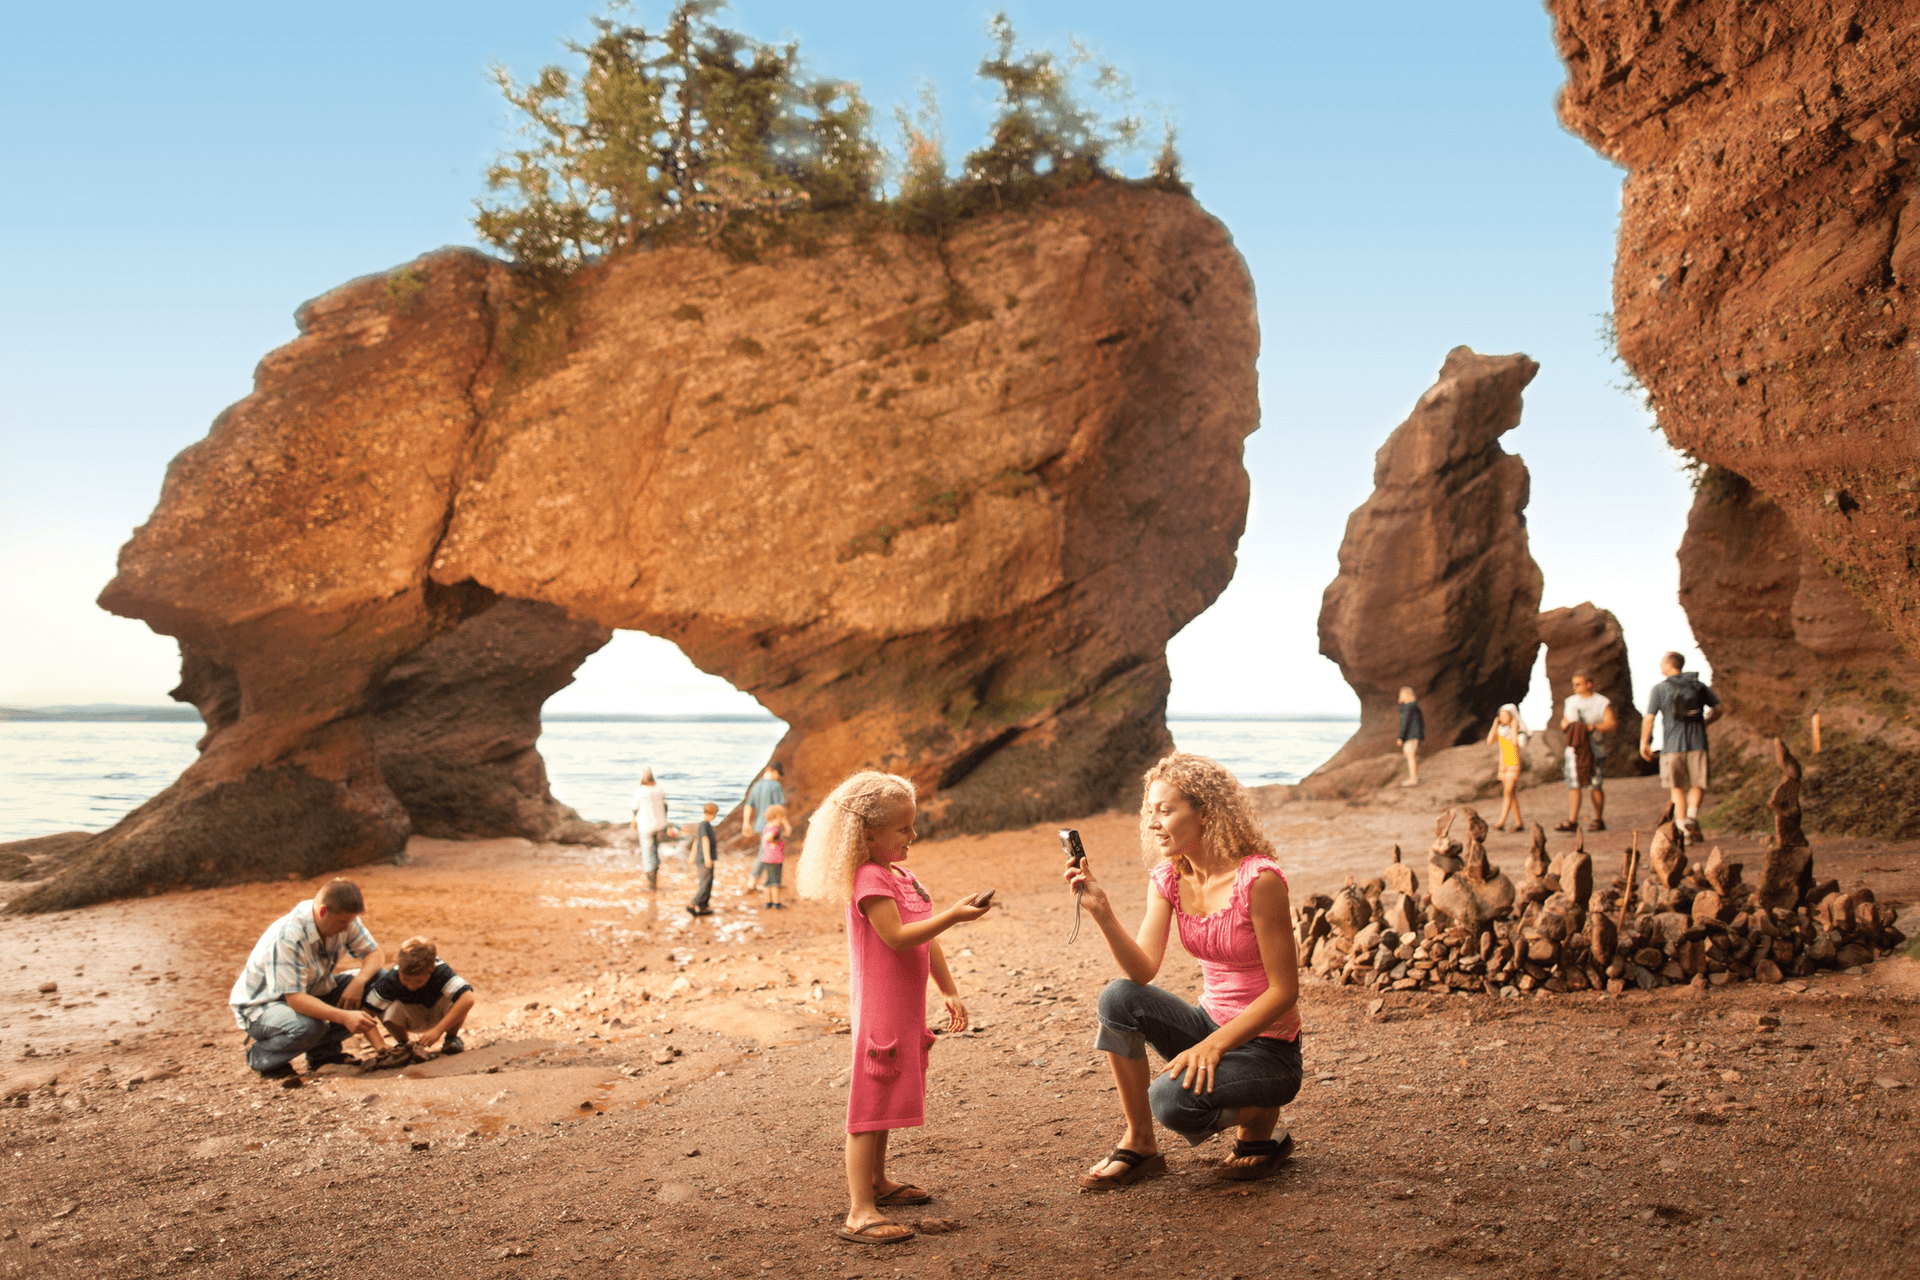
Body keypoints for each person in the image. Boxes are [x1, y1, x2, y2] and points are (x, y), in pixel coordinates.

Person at [1067, 753, 1304, 1190]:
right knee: (1118, 997)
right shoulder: (1169, 878)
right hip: (1208, 1024)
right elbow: (1142, 971)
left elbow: (1284, 992)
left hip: (1268, 1048)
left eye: (1165, 810)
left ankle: (1261, 1113)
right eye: (1149, 811)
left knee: (1171, 1101)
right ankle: (1140, 1144)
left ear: (1205, 813)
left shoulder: (1260, 880)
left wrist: (1213, 1048)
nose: (1152, 822)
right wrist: (1102, 912)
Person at [795, 771, 992, 1246]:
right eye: (903, 828)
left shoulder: (902, 875)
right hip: (882, 1012)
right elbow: (897, 937)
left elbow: (925, 937)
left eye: (912, 825)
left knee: (887, 1100)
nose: (913, 836)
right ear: (868, 835)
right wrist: (955, 914)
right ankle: (859, 1209)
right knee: (870, 1103)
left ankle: (879, 1183)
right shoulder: (869, 878)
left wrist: (948, 989)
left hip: (906, 1008)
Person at [229, 879, 388, 1083]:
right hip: (263, 1005)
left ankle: (322, 1054)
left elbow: (374, 953)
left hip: (311, 990)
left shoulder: (343, 916)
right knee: (309, 1026)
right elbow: (295, 999)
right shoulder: (289, 936)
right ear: (322, 912)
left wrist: (359, 982)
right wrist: (345, 1017)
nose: (346, 927)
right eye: (342, 922)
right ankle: (262, 1058)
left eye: (350, 921)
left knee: (382, 982)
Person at [1640, 651, 1723, 841]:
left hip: (1672, 745)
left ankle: (1683, 829)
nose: (1660, 665)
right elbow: (1719, 709)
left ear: (1670, 665)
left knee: (1677, 787)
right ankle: (1692, 817)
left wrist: (1645, 742)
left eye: (1662, 662)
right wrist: (1706, 723)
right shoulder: (1698, 686)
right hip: (1698, 742)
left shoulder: (1660, 689)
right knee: (1697, 783)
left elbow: (1649, 719)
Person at [364, 937, 475, 1055]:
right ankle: (404, 1044)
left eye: (419, 981)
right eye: (405, 979)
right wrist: (380, 1045)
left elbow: (468, 999)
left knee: (459, 998)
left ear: (431, 969)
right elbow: (366, 1014)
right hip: (411, 1018)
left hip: (439, 1016)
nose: (411, 986)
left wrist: (438, 1031)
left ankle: (451, 1038)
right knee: (386, 1007)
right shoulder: (390, 980)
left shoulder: (440, 971)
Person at [1557, 671, 1618, 833]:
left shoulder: (1602, 702)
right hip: (1574, 749)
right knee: (1573, 784)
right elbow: (1565, 720)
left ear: (1588, 684)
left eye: (1578, 684)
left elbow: (1612, 724)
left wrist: (1592, 727)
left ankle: (1598, 819)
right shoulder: (1570, 702)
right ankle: (1572, 820)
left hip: (1595, 748)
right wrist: (1565, 725)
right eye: (1573, 684)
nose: (1574, 687)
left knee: (1595, 784)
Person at [1485, 704, 1528, 832]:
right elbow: (1489, 741)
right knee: (1511, 794)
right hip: (1503, 763)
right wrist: (1494, 725)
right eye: (1501, 715)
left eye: (1505, 715)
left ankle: (1501, 822)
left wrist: (1514, 727)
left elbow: (1515, 743)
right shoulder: (1501, 730)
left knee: (1508, 792)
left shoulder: (1520, 733)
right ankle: (1519, 823)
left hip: (1513, 762)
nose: (1503, 718)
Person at [742, 762, 787, 883]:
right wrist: (786, 825)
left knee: (765, 852)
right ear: (775, 772)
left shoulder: (756, 785)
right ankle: (754, 880)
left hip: (759, 824)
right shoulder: (775, 786)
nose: (778, 777)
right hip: (772, 825)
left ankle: (762, 881)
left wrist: (745, 823)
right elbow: (779, 809)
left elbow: (748, 806)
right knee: (767, 854)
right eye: (778, 774)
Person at [630, 767, 670, 892]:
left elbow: (634, 809)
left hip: (646, 826)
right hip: (660, 825)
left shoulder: (640, 791)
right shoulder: (660, 790)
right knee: (655, 852)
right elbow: (665, 807)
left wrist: (633, 821)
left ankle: (652, 885)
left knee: (647, 854)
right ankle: (655, 879)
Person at [687, 802, 720, 916]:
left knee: (707, 883)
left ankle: (703, 908)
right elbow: (704, 840)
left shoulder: (703, 825)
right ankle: (692, 904)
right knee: (705, 885)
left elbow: (697, 841)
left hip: (700, 859)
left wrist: (691, 856)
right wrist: (707, 858)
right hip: (703, 860)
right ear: (713, 814)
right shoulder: (704, 825)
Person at [758, 803, 793, 910]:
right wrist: (773, 841)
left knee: (768, 881)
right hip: (775, 858)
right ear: (777, 816)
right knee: (775, 882)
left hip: (767, 857)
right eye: (782, 817)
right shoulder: (774, 829)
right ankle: (776, 903)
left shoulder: (767, 827)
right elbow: (787, 832)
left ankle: (768, 902)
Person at [1394, 686, 1425, 786]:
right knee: (1410, 755)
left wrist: (1401, 737)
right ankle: (1414, 777)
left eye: (1401, 694)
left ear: (1406, 695)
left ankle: (1413, 779)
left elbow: (1405, 723)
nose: (1400, 696)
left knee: (1410, 755)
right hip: (1415, 735)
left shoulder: (1408, 706)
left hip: (1411, 735)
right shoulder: (1415, 706)